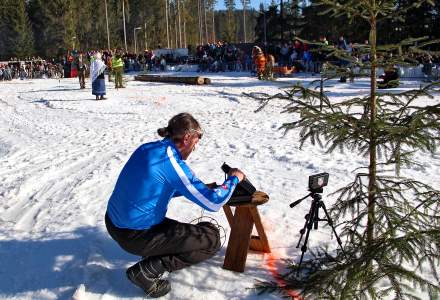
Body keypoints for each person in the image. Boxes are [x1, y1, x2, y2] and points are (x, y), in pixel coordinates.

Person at [105, 113, 245, 298]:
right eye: (196, 142)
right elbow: (213, 202)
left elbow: (156, 185)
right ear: (187, 137)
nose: (195, 147)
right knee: (212, 239)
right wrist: (235, 178)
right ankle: (147, 272)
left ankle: (152, 257)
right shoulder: (170, 161)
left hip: (114, 223)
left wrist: (199, 188)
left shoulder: (148, 149)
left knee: (204, 229)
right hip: (136, 234)